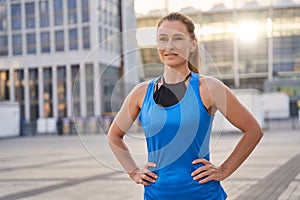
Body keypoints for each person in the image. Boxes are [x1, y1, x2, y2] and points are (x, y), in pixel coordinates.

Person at [107, 12, 263, 200]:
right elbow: (114, 136)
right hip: (156, 195)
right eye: (162, 39)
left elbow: (253, 130)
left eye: (178, 39)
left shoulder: (209, 88)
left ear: (192, 44)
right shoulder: (141, 93)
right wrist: (133, 171)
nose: (169, 46)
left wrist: (224, 170)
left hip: (203, 194)